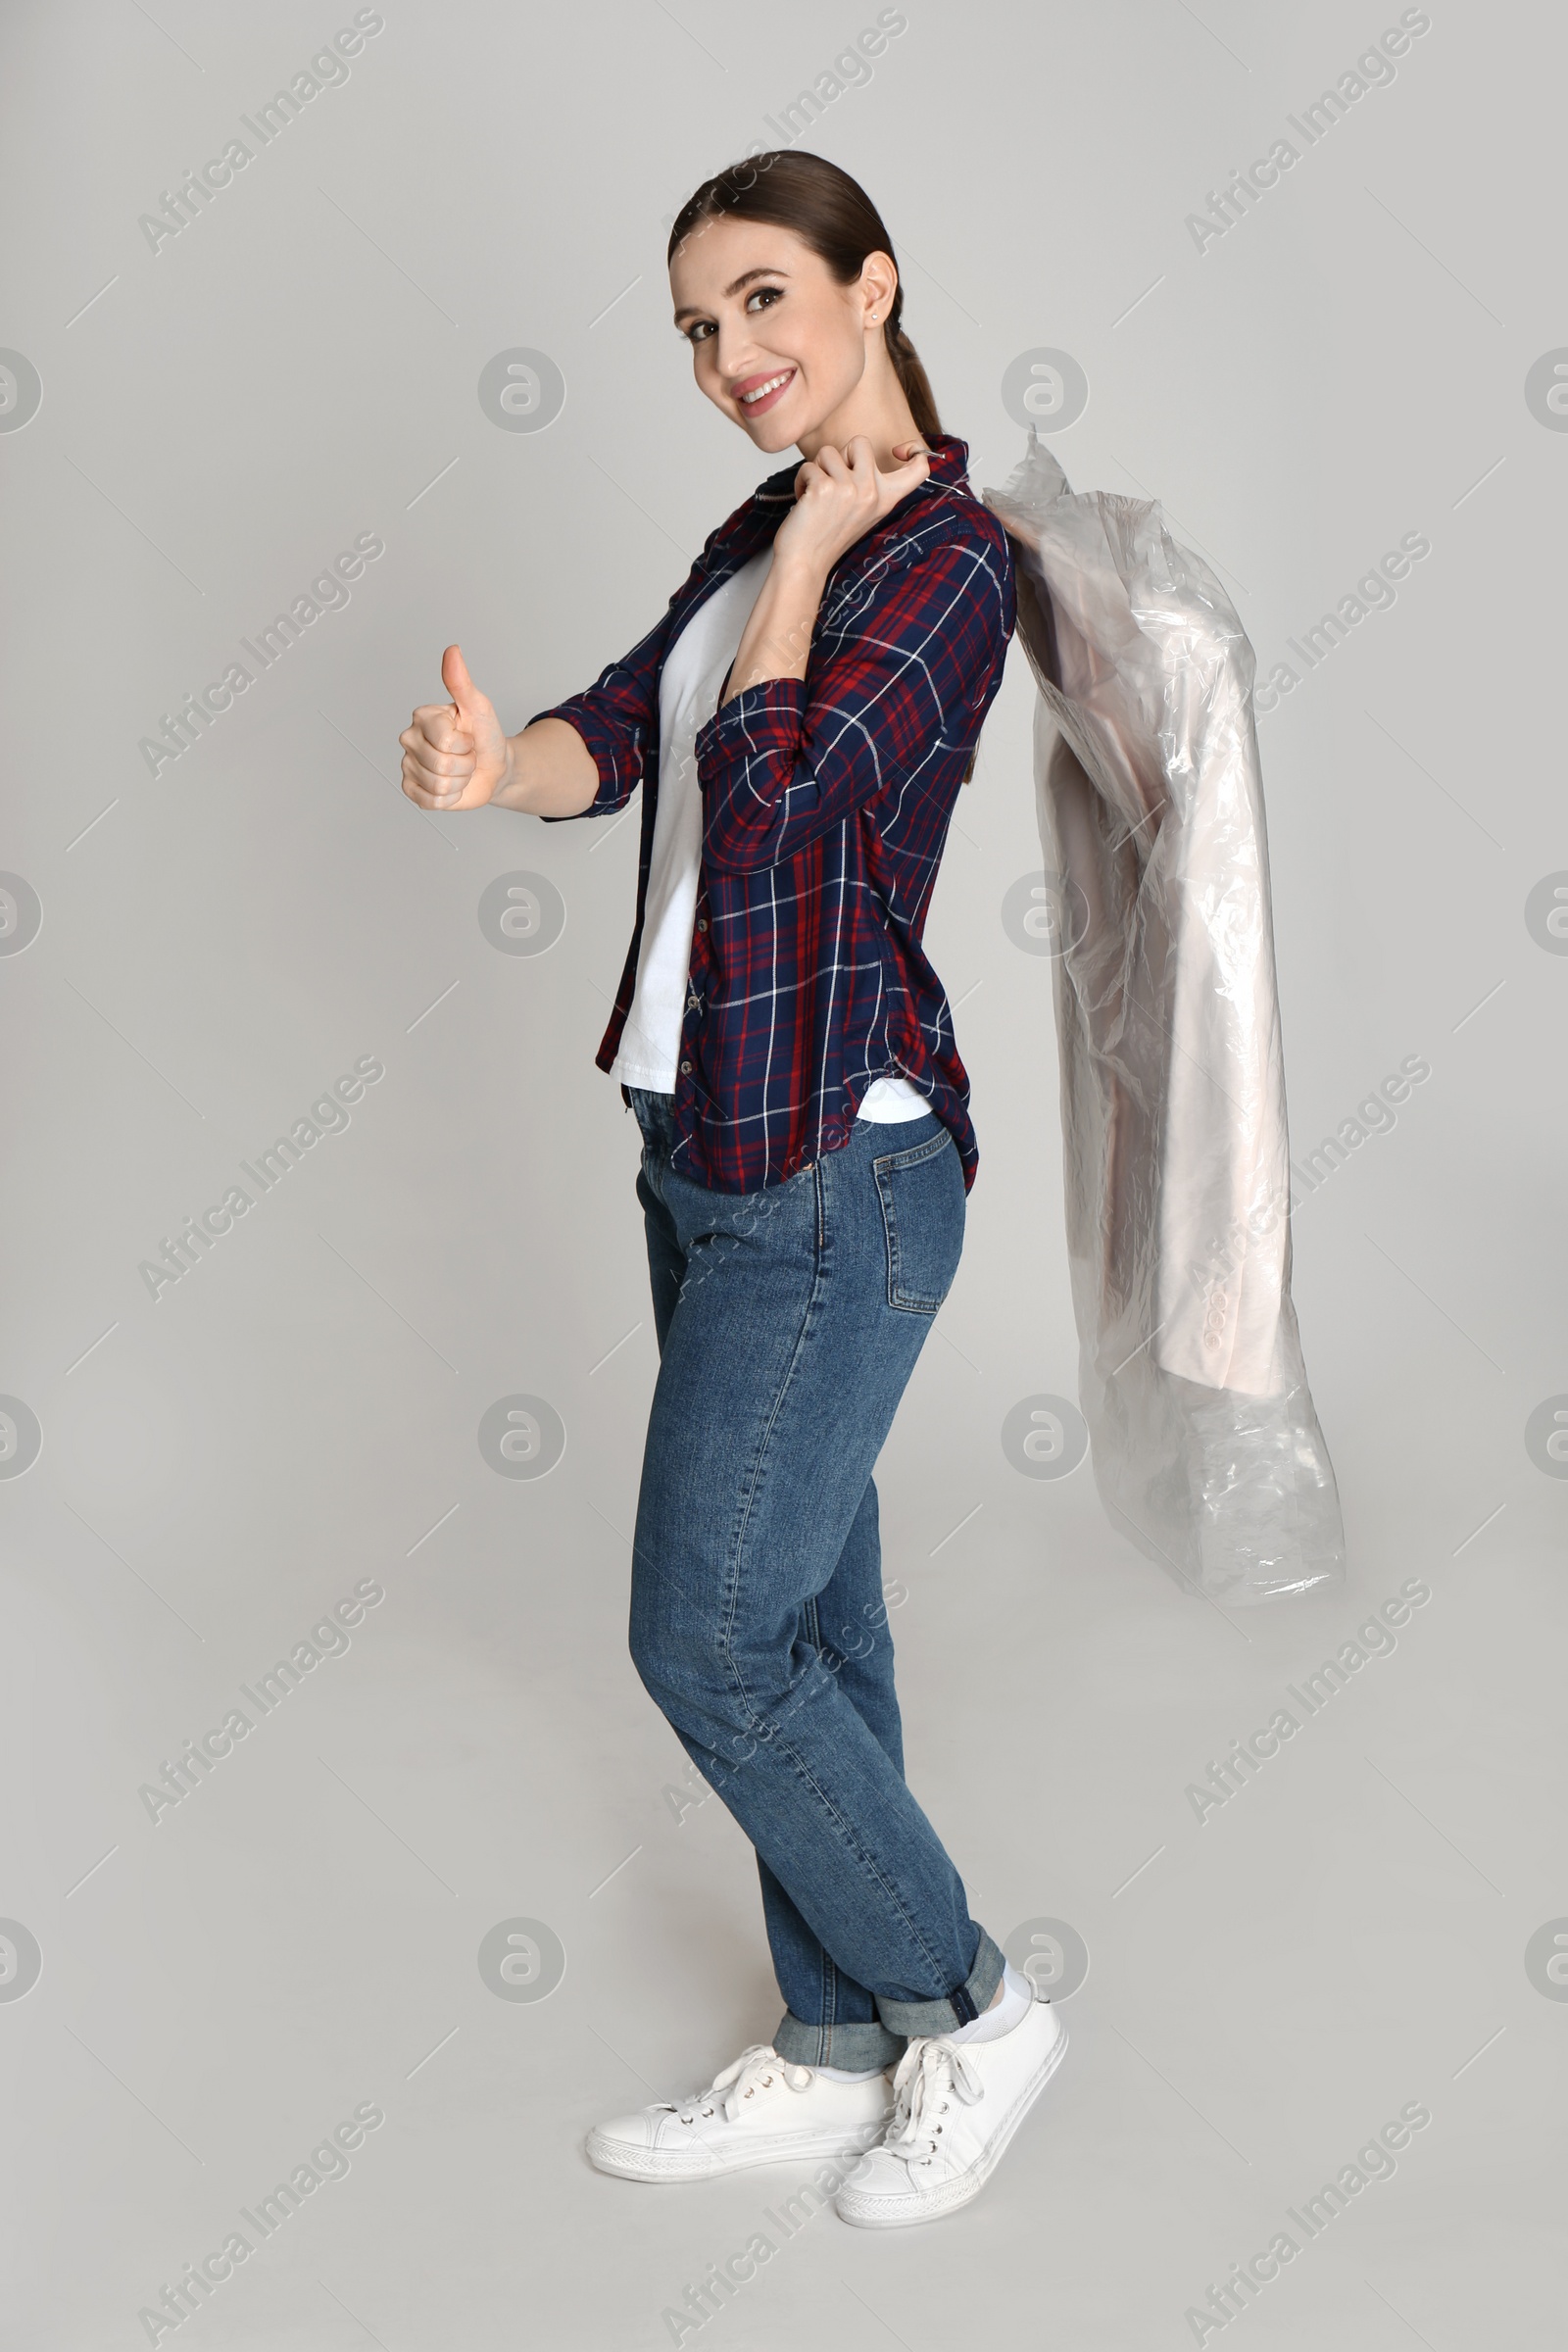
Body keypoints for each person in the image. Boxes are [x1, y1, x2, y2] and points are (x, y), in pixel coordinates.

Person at [399, 151, 1066, 2227]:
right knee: (810, 1626)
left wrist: (808, 563)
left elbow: (777, 799)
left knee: (706, 1643)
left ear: (875, 290)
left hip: (832, 1170)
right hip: (701, 1143)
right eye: (696, 328)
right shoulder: (767, 521)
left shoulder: (942, 556)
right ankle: (842, 2037)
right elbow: (639, 720)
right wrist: (498, 763)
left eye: (764, 303)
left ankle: (970, 2005)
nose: (730, 358)